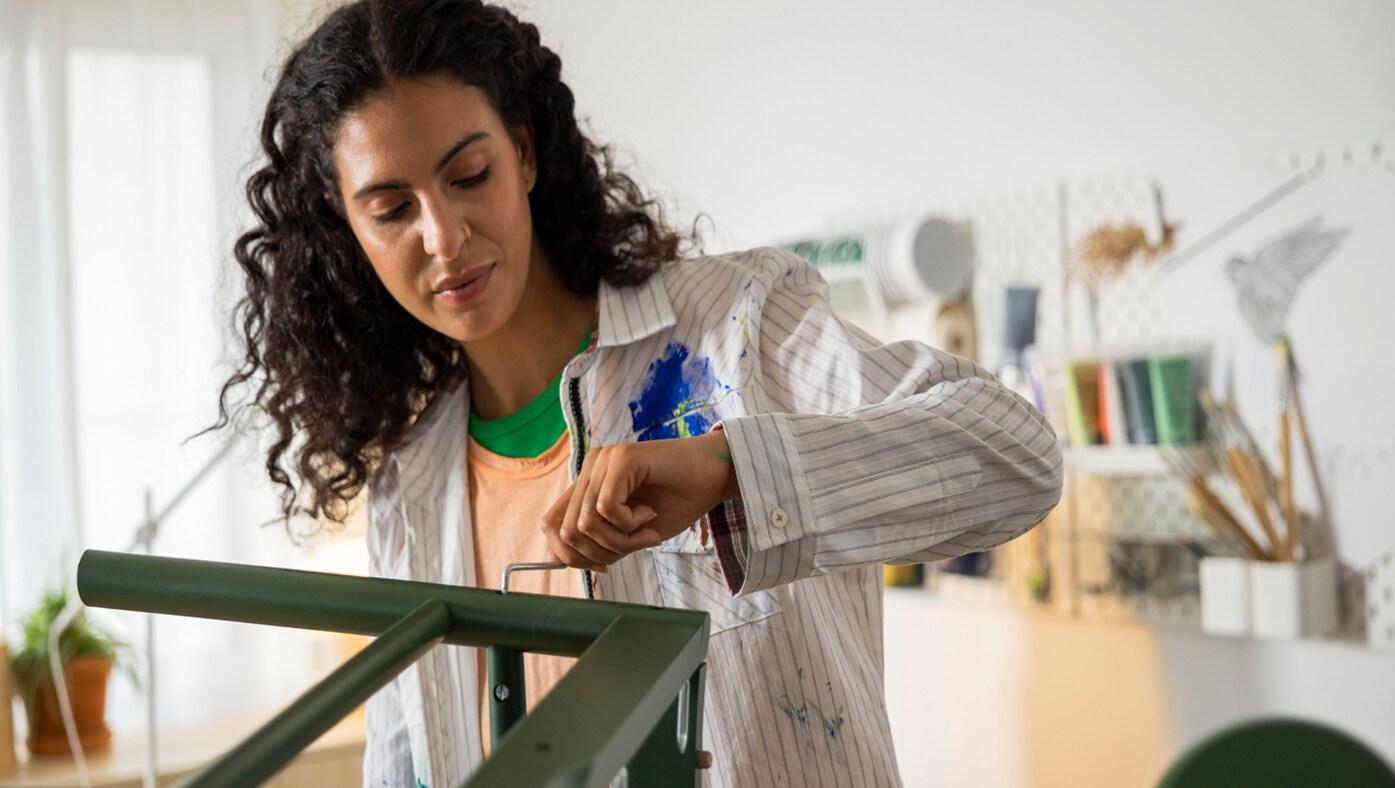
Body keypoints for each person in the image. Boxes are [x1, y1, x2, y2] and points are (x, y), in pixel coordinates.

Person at [216, 1, 1063, 785]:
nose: (444, 236)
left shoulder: (735, 326)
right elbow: (407, 764)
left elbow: (1018, 456)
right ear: (348, 227)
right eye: (391, 209)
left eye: (468, 175)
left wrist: (730, 469)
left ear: (524, 154)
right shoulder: (412, 480)